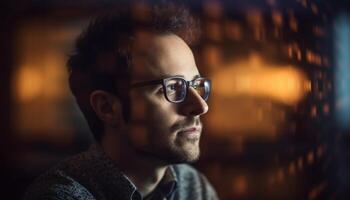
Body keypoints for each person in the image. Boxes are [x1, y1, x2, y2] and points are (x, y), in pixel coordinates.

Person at [24, 1, 218, 200]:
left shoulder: (194, 187)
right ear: (107, 107)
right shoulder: (59, 196)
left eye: (195, 85)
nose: (201, 106)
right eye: (173, 88)